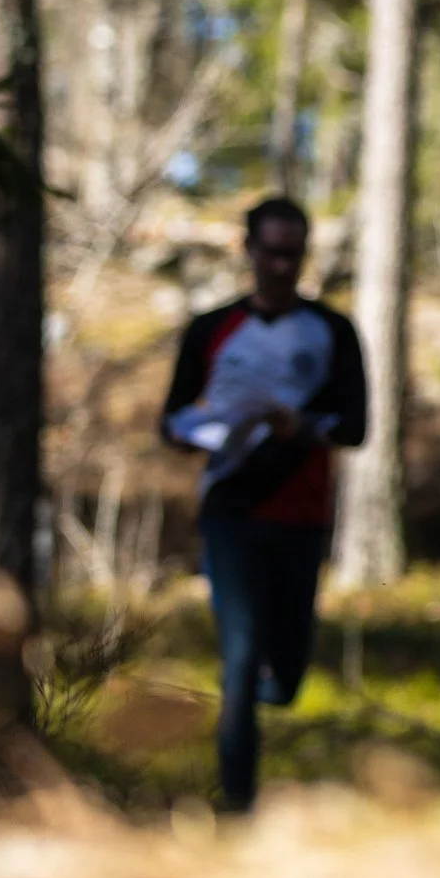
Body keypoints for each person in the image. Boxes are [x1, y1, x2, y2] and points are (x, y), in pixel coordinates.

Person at [158, 196, 368, 812]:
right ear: (247, 250)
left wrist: (298, 427)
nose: (281, 265)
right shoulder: (211, 330)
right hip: (230, 513)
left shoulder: (332, 331)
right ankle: (237, 806)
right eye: (270, 251)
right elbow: (169, 425)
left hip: (302, 517)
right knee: (241, 660)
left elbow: (356, 428)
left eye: (292, 253)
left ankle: (260, 707)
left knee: (286, 677)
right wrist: (210, 427)